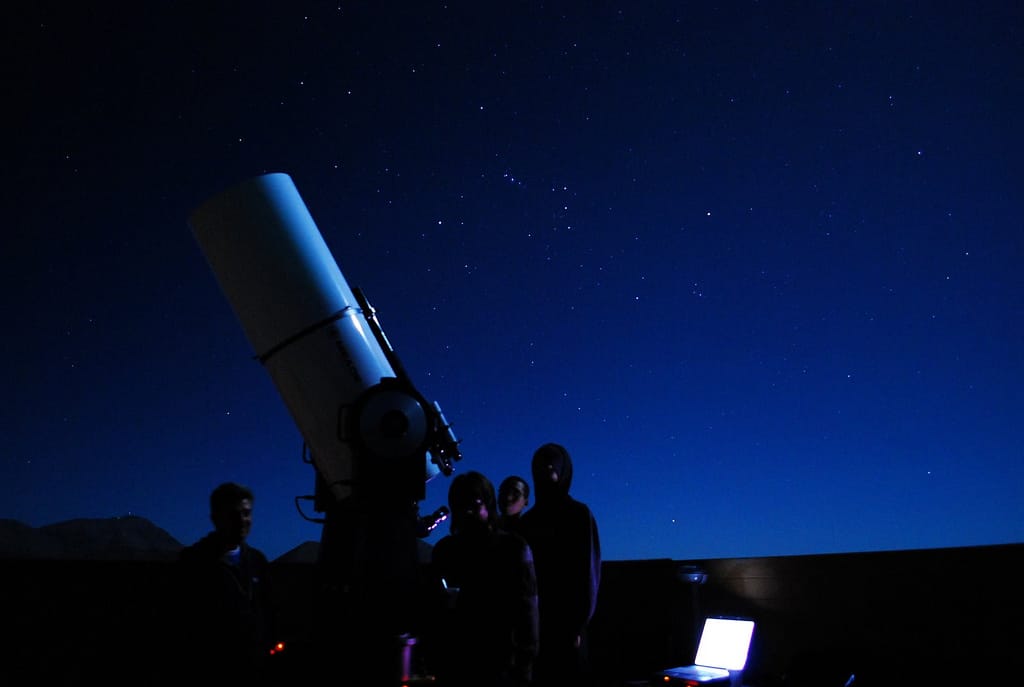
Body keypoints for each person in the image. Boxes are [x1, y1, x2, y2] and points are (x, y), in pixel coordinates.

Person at [428, 471, 539, 687]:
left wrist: (524, 667)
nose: (466, 510)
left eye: (473, 502)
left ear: (488, 503)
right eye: (460, 504)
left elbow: (528, 613)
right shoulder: (445, 551)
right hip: (455, 664)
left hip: (500, 665)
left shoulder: (513, 548)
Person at [518, 443, 602, 686]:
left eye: (552, 466)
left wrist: (577, 624)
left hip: (566, 627)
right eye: (541, 467)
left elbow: (588, 573)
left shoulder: (578, 514)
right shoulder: (529, 521)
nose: (547, 471)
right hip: (534, 626)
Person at [176, 482, 277, 682]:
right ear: (216, 519)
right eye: (234, 514)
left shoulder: (258, 561)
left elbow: (269, 611)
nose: (242, 520)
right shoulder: (194, 563)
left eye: (246, 513)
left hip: (255, 669)